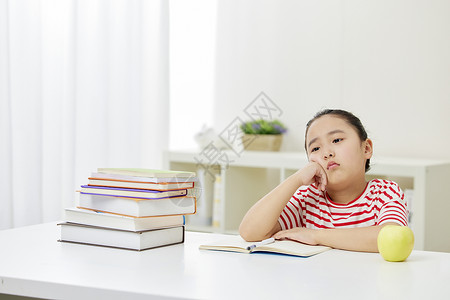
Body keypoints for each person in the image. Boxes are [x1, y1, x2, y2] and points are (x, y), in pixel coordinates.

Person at [239, 109, 408, 252]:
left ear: (366, 148)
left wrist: (316, 235)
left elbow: (391, 237)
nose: (326, 153)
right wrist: (296, 179)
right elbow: (250, 232)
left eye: (336, 140)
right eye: (316, 148)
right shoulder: (308, 199)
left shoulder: (385, 192)